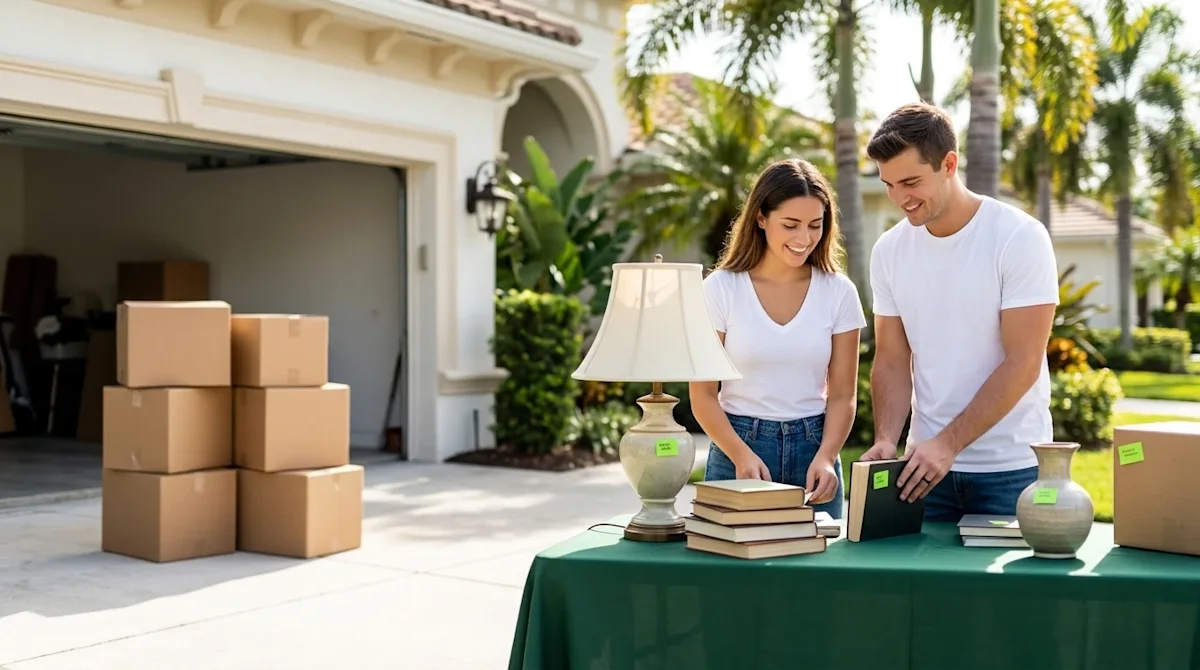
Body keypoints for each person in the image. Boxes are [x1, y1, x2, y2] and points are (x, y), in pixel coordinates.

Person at [859, 102, 1059, 521]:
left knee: (1011, 590)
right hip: (922, 470)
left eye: (911, 182)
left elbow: (1023, 361)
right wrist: (886, 438)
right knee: (920, 588)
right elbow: (894, 359)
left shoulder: (1018, 238)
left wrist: (947, 445)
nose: (899, 198)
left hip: (1011, 469)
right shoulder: (889, 251)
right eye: (889, 184)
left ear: (949, 164)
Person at [690, 158, 867, 519]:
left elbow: (844, 394)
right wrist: (741, 455)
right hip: (737, 445)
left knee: (818, 573)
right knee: (734, 570)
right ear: (761, 218)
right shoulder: (720, 289)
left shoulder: (839, 292)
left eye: (815, 225)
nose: (804, 239)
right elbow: (703, 396)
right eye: (791, 225)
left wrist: (827, 456)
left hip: (815, 450)